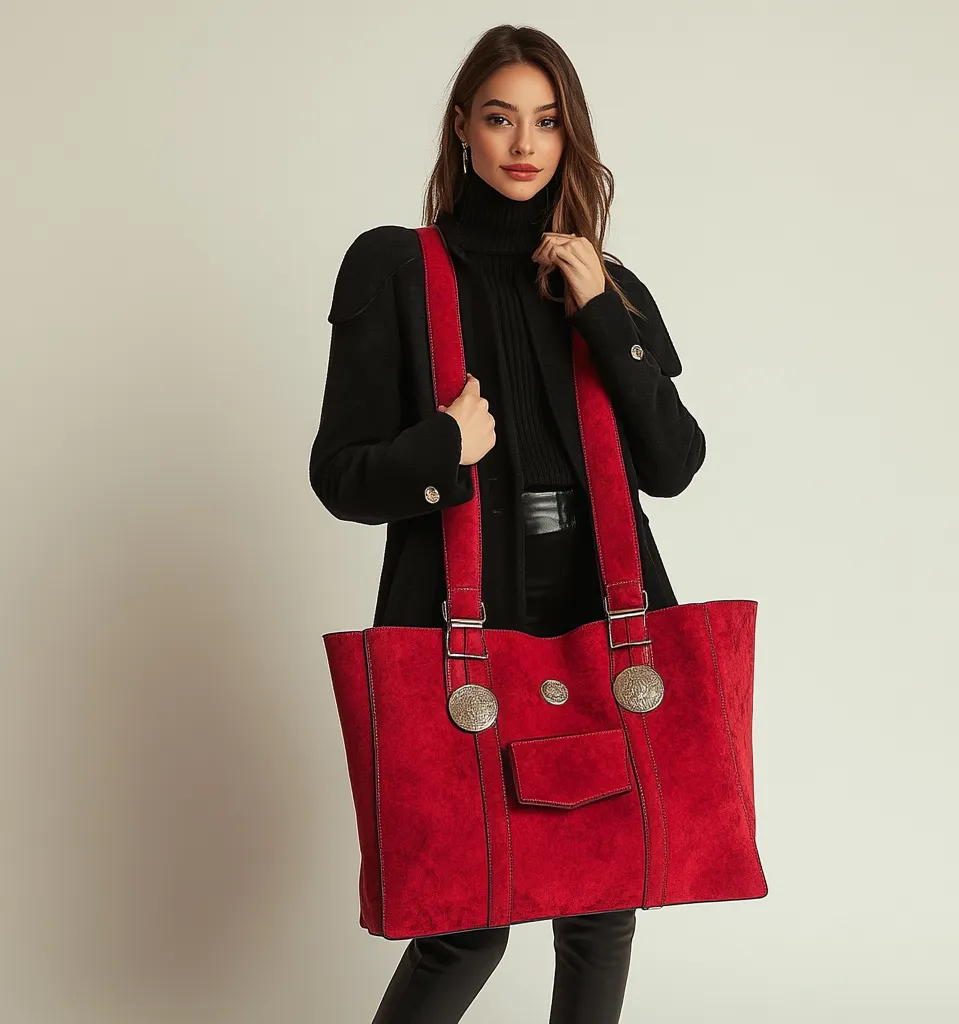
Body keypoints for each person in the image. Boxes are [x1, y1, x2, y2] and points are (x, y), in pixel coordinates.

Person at [309, 24, 706, 1024]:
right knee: (465, 918)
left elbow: (674, 465)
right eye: (499, 118)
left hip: (601, 609)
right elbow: (341, 478)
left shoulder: (609, 285)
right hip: (458, 620)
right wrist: (441, 446)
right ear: (462, 128)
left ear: (571, 137)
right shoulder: (395, 267)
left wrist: (601, 314)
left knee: (605, 904)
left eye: (547, 121)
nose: (524, 144)